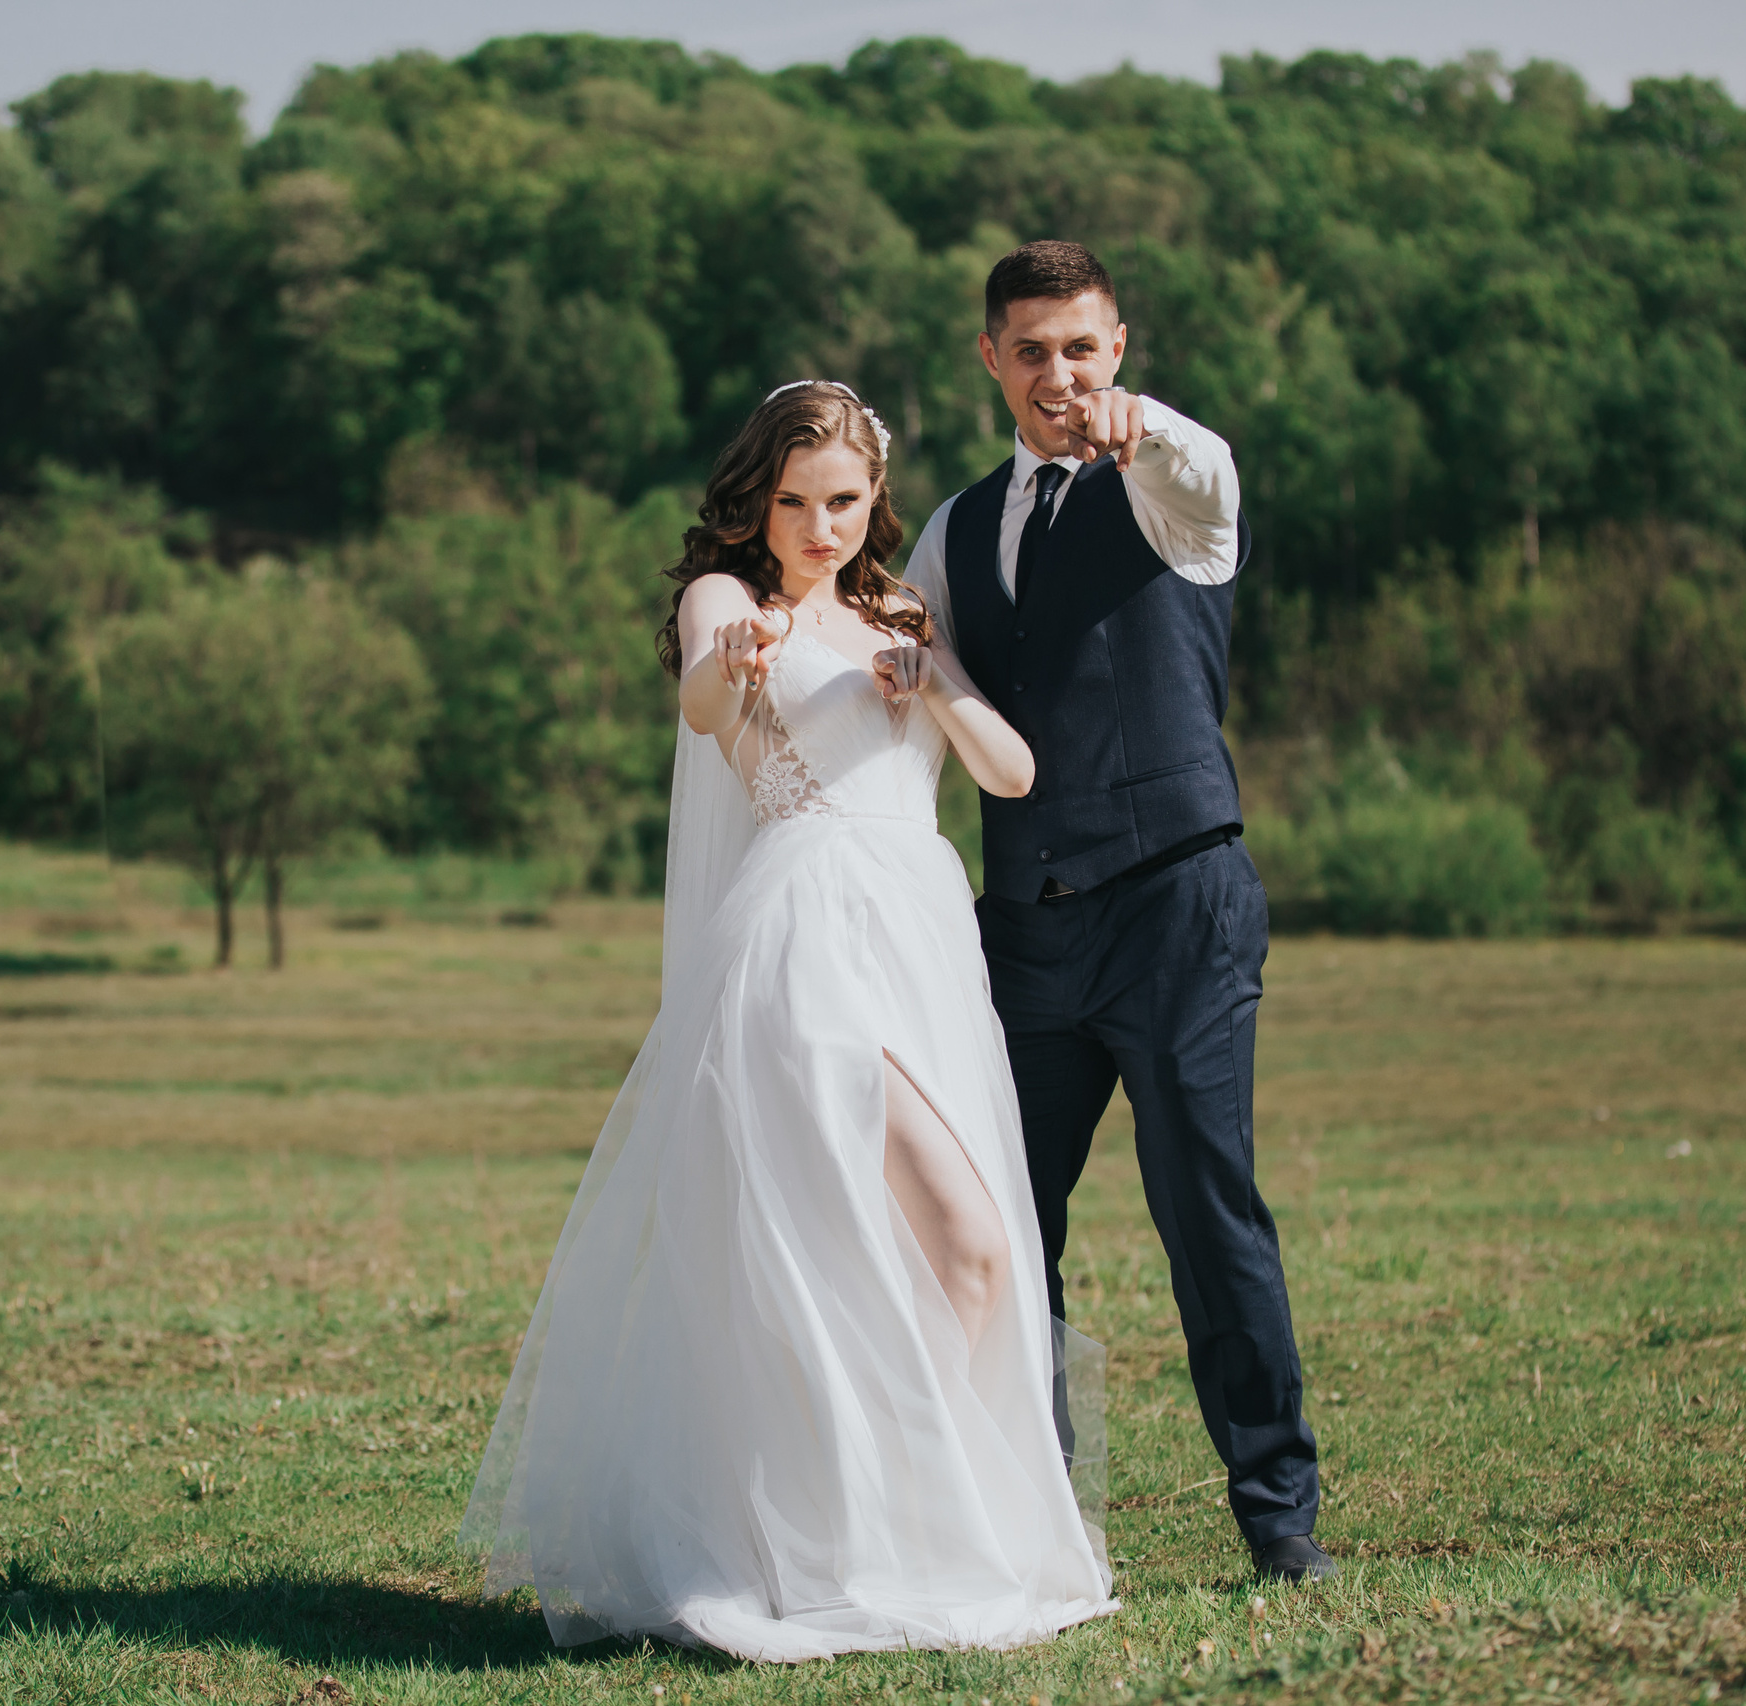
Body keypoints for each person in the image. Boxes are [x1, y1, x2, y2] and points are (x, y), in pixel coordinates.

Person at [461, 380, 1117, 1662]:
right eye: (795, 501)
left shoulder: (900, 610)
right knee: (897, 1245)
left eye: (844, 501)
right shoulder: (729, 598)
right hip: (806, 941)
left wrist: (930, 681)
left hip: (920, 944)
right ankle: (842, 1533)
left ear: (876, 499)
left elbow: (1011, 769)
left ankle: (895, 1520)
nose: (820, 526)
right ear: (756, 503)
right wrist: (740, 658)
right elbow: (707, 703)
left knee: (963, 1257)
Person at [897, 240, 1332, 1584]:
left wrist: (1143, 427)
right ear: (991, 358)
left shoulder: (1172, 489)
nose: (1059, 375)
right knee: (999, 1224)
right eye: (1031, 350)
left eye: (1081, 348)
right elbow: (902, 672)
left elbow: (1208, 473)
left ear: (1118, 348)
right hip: (1025, 931)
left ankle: (1278, 1516)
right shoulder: (956, 528)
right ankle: (1038, 1515)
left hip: (1175, 907)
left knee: (1206, 1207)